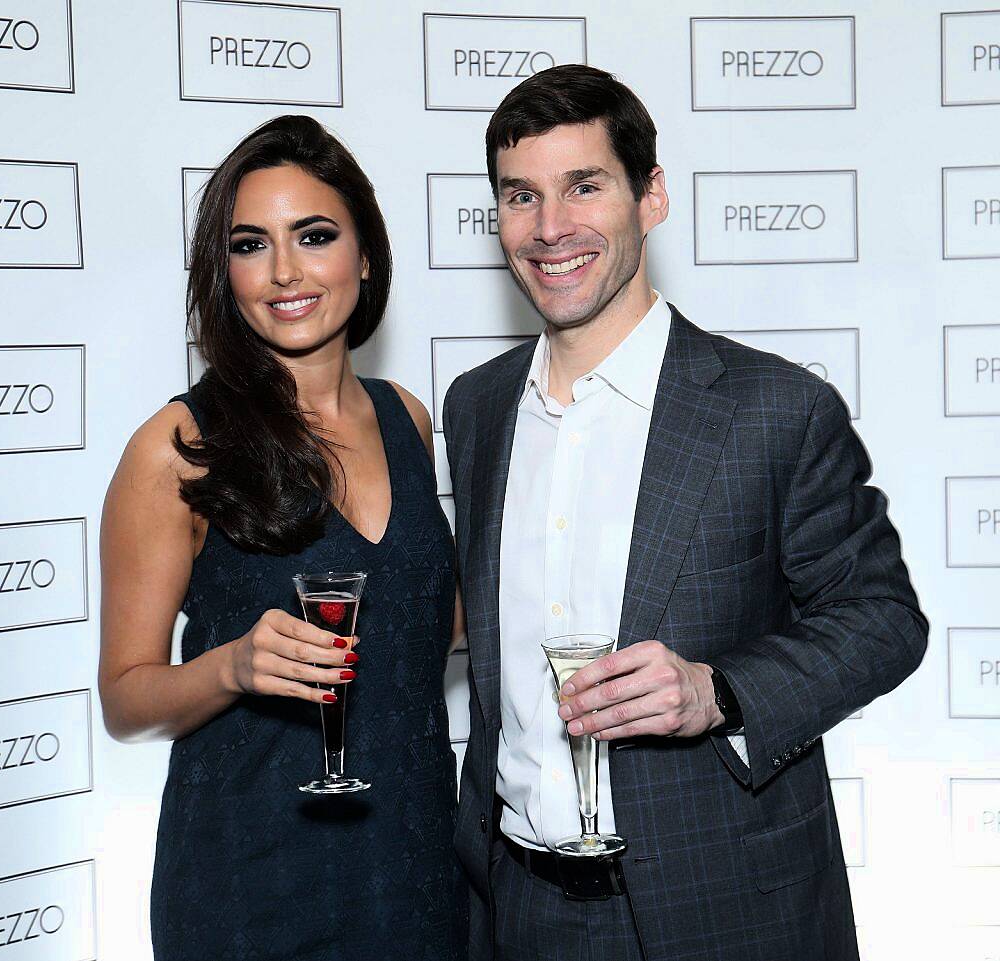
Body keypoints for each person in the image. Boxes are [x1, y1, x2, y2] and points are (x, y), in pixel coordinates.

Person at [443, 65, 927, 961]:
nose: (551, 229)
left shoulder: (774, 406)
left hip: (727, 907)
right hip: (518, 909)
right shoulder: (475, 409)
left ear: (650, 195)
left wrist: (717, 691)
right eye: (521, 196)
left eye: (584, 186)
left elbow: (884, 620)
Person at [99, 115, 466, 961]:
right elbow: (126, 697)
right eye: (251, 244)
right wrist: (231, 665)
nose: (286, 272)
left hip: (418, 869)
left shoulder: (405, 417)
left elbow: (422, 626)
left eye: (314, 235)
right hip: (251, 886)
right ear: (222, 273)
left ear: (365, 254)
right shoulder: (179, 446)